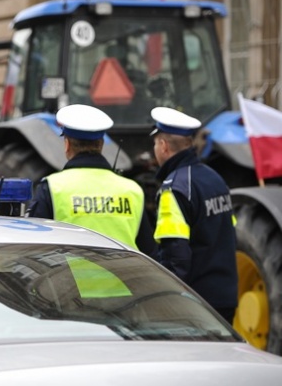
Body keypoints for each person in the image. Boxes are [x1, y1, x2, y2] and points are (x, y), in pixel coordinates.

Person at [26, 104, 157, 258]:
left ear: (67, 144)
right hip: (123, 281)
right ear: (101, 145)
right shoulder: (132, 190)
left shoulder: (53, 187)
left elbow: (33, 250)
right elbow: (149, 253)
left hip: (69, 281)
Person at [150, 106, 238, 323]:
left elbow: (175, 257)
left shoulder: (174, 187)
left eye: (154, 143)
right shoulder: (215, 178)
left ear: (163, 146)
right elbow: (230, 230)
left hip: (197, 305)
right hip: (226, 296)